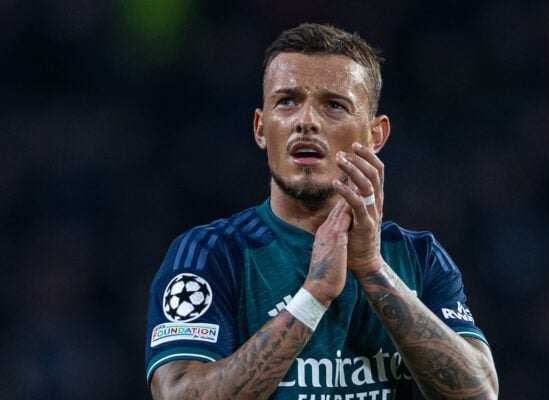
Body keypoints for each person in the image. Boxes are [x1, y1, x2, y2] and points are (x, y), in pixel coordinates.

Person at [145, 23, 499, 400]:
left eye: (334, 105)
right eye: (287, 101)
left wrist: (373, 269)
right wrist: (313, 297)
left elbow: (480, 393)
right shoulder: (208, 255)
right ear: (261, 128)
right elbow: (180, 394)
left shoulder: (418, 258)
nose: (306, 121)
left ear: (375, 135)